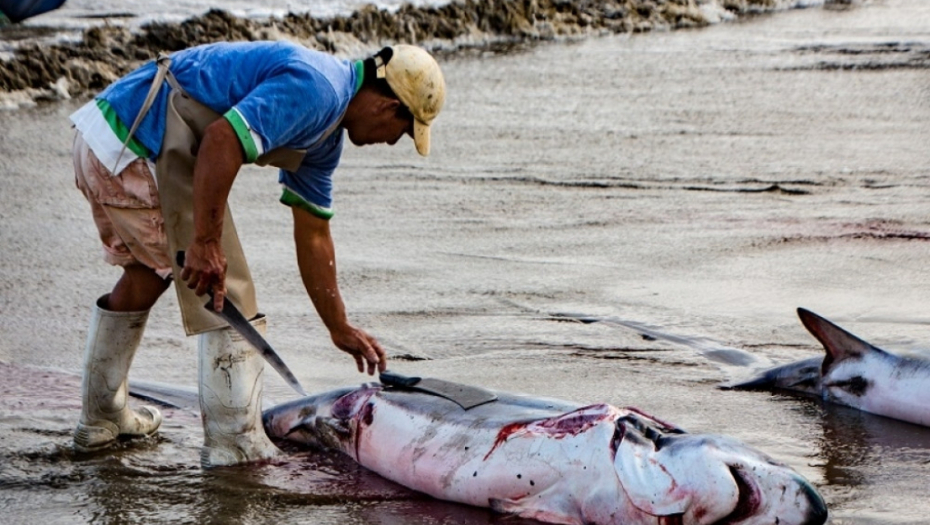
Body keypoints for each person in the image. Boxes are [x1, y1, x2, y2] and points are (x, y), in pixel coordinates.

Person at [68, 41, 446, 467]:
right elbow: (222, 139)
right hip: (135, 144)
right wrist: (206, 242)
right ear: (388, 106)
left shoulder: (325, 138)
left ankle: (101, 418)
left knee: (146, 275)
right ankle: (234, 442)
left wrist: (337, 325)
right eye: (404, 131)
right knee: (223, 289)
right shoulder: (319, 89)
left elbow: (314, 232)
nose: (394, 142)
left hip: (103, 139)